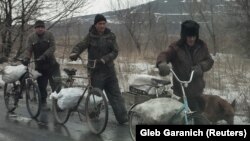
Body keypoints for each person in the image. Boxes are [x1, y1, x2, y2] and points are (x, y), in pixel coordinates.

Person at [69, 14, 128, 124]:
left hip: (109, 70)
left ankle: (123, 119)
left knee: (116, 95)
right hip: (95, 71)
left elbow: (115, 51)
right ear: (95, 24)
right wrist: (75, 52)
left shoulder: (111, 36)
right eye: (100, 24)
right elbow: (81, 45)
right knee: (95, 97)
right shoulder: (90, 36)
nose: (102, 26)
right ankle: (93, 118)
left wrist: (104, 59)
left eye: (103, 23)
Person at [156, 20, 214, 113]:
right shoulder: (176, 47)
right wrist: (162, 63)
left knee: (199, 119)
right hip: (181, 91)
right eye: (189, 36)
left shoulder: (202, 46)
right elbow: (165, 54)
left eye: (193, 36)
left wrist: (201, 67)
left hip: (197, 91)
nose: (191, 39)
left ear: (197, 36)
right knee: (180, 117)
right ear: (184, 36)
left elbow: (209, 60)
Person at [22, 20, 62, 110]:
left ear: (44, 28)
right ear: (35, 29)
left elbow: (53, 47)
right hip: (40, 67)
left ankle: (57, 104)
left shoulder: (49, 35)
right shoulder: (31, 38)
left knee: (56, 84)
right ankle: (43, 102)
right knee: (42, 86)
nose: (40, 29)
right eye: (38, 27)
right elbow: (28, 50)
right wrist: (26, 58)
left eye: (42, 27)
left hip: (52, 65)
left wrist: (44, 56)